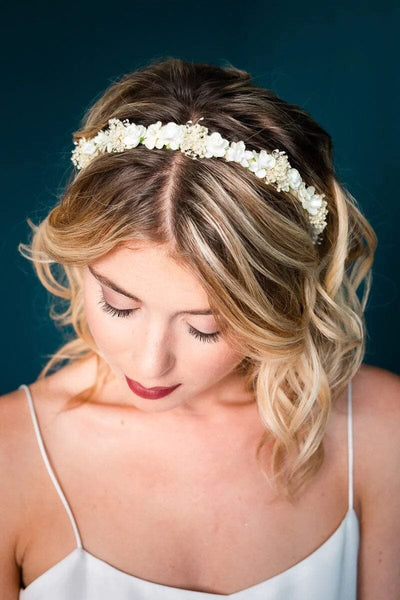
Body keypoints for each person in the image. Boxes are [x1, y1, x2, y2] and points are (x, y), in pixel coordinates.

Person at [1, 57, 399, 600]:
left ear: (278, 301)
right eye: (119, 304)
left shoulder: (382, 432)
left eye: (206, 327)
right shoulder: (9, 456)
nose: (148, 363)